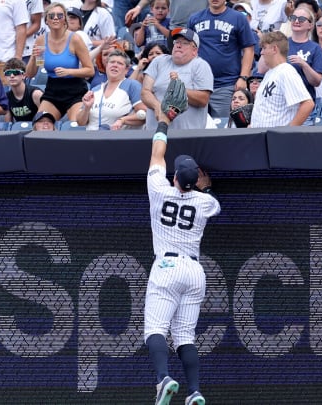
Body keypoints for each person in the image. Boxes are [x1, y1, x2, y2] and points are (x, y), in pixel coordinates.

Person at [144, 103, 220, 405]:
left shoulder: (159, 189)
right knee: (185, 337)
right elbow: (212, 202)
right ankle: (194, 392)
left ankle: (163, 379)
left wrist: (164, 122)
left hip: (167, 265)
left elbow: (157, 154)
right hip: (194, 271)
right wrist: (205, 186)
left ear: (175, 177)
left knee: (155, 330)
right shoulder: (204, 202)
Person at [26, 2, 94, 124]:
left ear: (65, 20)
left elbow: (90, 70)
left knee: (76, 126)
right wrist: (33, 57)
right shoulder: (41, 40)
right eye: (51, 16)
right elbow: (30, 74)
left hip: (75, 90)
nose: (56, 18)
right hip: (53, 89)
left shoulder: (75, 39)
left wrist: (69, 71)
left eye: (60, 15)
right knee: (41, 124)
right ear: (46, 20)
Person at [188, 0, 256, 118]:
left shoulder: (238, 18)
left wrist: (243, 77)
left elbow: (248, 49)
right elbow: (188, 48)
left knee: (224, 128)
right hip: (198, 85)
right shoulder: (194, 18)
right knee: (196, 129)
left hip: (226, 84)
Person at [140, 28, 214, 129]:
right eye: (177, 42)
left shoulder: (201, 65)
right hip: (155, 133)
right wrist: (158, 107)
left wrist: (179, 88)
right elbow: (145, 92)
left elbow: (203, 99)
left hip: (187, 136)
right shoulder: (159, 61)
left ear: (195, 51)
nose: (178, 45)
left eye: (185, 43)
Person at [249, 31, 314, 127]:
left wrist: (288, 132)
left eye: (264, 48)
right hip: (261, 136)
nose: (261, 52)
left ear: (274, 49)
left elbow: (308, 104)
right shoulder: (270, 73)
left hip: (276, 138)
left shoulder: (286, 71)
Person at [77, 50, 146, 130]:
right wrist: (87, 108)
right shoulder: (95, 90)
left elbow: (143, 114)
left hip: (117, 139)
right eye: (112, 62)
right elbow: (80, 122)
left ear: (126, 70)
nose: (115, 65)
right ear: (106, 66)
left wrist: (123, 120)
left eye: (120, 63)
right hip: (91, 139)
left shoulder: (132, 85)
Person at [287, 7, 322, 107]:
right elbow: (261, 69)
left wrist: (304, 64)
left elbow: (317, 81)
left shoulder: (315, 48)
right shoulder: (281, 43)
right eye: (293, 17)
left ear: (311, 25)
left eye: (302, 19)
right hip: (282, 104)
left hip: (303, 104)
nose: (296, 21)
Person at [4, 58, 43, 123]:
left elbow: (46, 120)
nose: (12, 76)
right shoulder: (6, 98)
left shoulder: (36, 94)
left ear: (24, 75)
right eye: (8, 73)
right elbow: (8, 125)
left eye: (16, 73)